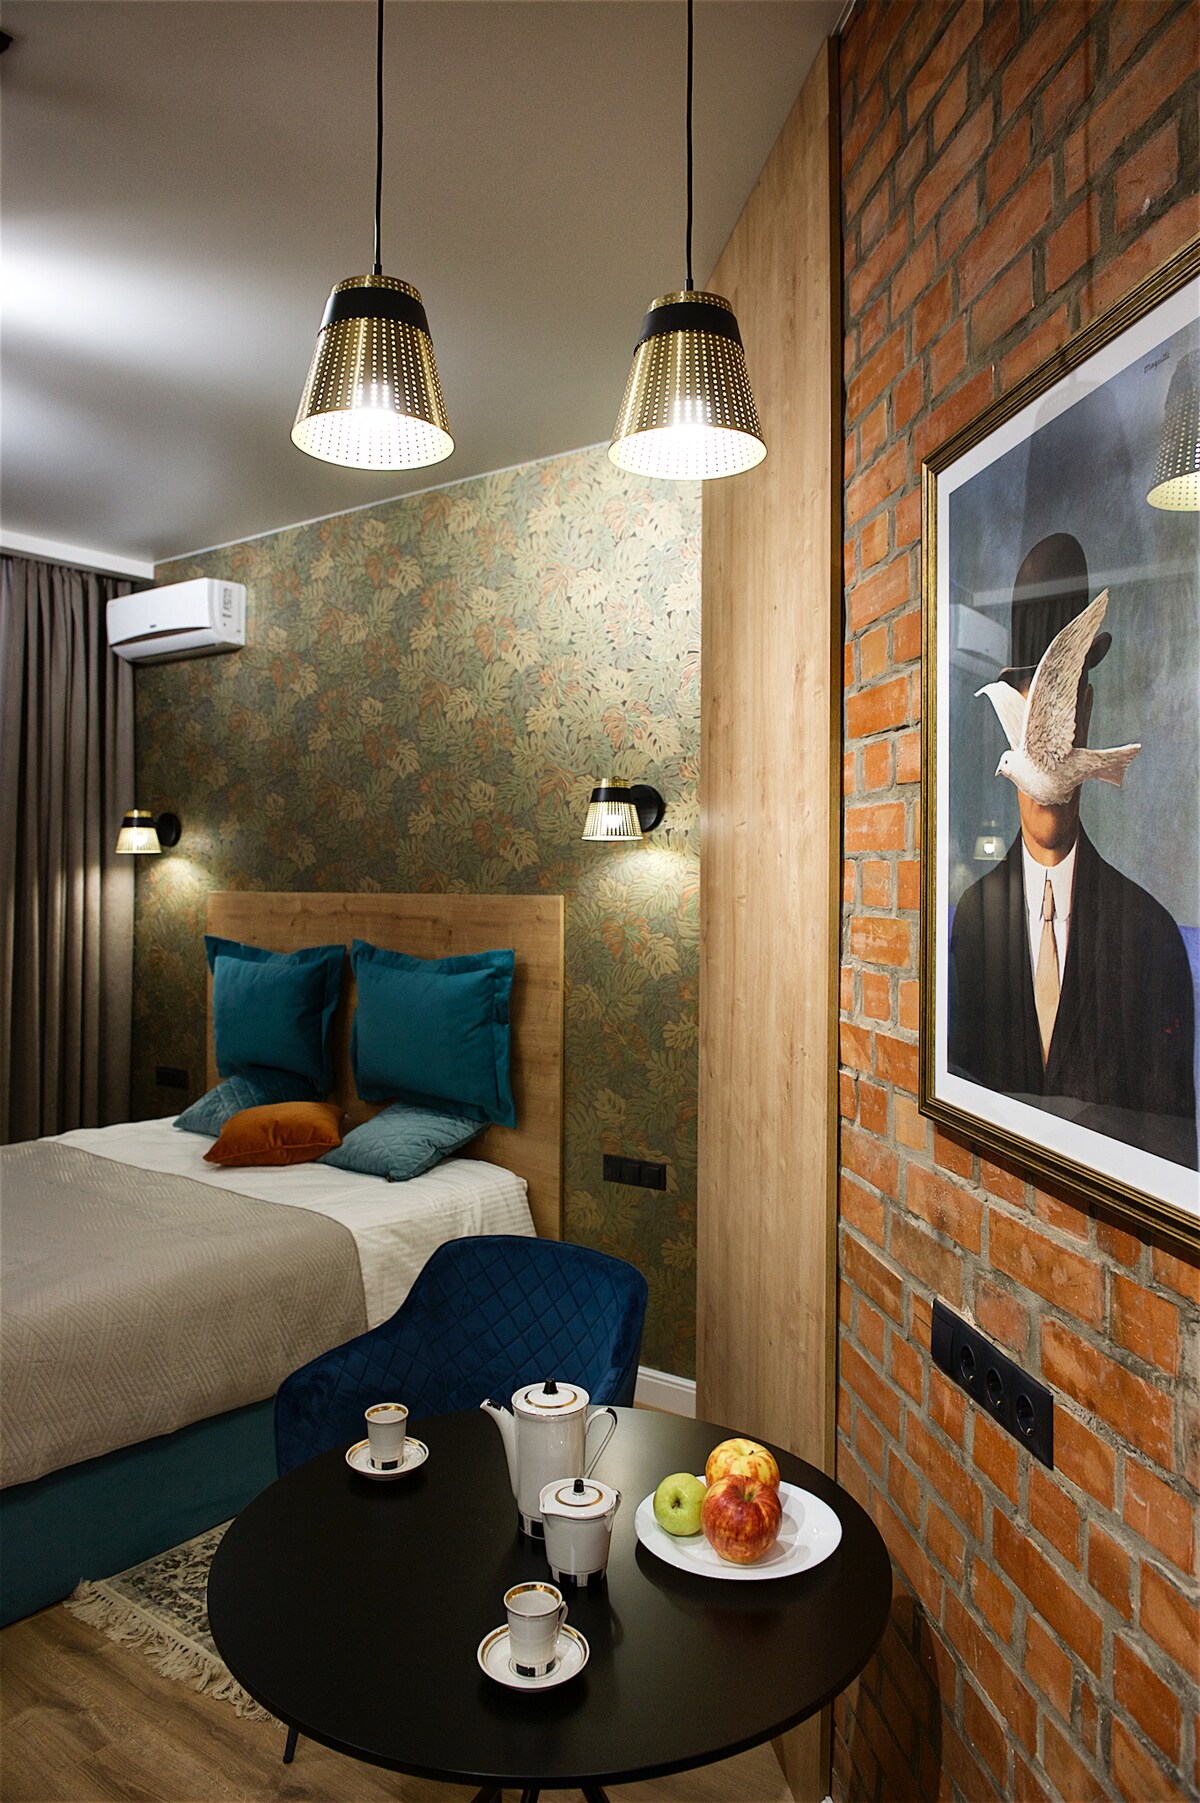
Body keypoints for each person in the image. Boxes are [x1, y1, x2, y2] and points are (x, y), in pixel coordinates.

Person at [948, 533, 1197, 1170]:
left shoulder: (1150, 938)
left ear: (1084, 710)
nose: (1046, 738)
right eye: (1028, 710)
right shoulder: (973, 922)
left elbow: (1172, 1151)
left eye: (1059, 705)